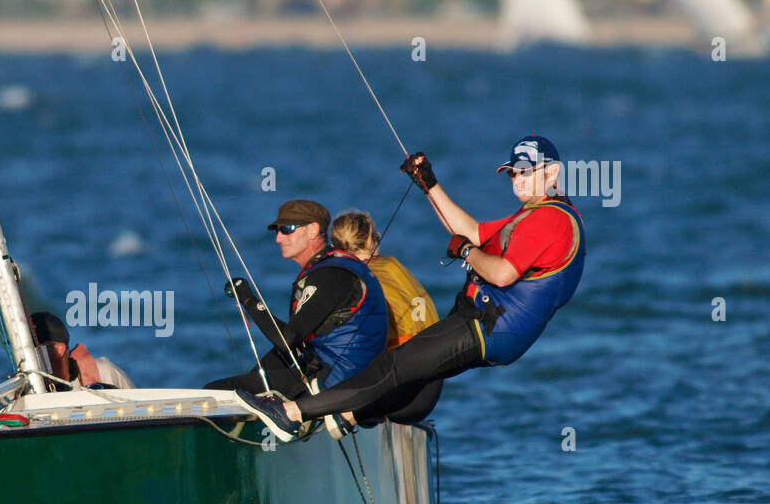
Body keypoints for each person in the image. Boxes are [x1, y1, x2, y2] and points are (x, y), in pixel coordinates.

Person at [237, 135, 586, 441]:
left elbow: (501, 274)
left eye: (526, 172)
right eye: (513, 172)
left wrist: (465, 252)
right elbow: (473, 231)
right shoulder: (537, 214)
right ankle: (346, 415)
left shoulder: (550, 219)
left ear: (552, 173)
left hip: (487, 327)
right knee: (415, 372)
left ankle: (293, 414)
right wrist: (429, 185)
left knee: (394, 366)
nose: (517, 180)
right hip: (492, 328)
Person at [205, 198, 387, 398]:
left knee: (215, 392)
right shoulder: (327, 269)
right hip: (330, 373)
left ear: (313, 230)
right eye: (277, 231)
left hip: (339, 382)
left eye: (287, 229)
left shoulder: (331, 275)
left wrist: (248, 299)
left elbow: (287, 340)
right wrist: (253, 379)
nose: (278, 239)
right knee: (236, 392)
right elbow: (293, 346)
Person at [329, 209, 442, 424]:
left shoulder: (353, 281)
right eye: (377, 238)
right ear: (370, 242)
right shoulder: (393, 265)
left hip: (401, 396)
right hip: (430, 392)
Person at [30, 311, 135, 390]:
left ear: (58, 350)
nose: (28, 355)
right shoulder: (23, 386)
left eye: (34, 348)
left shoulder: (104, 372)